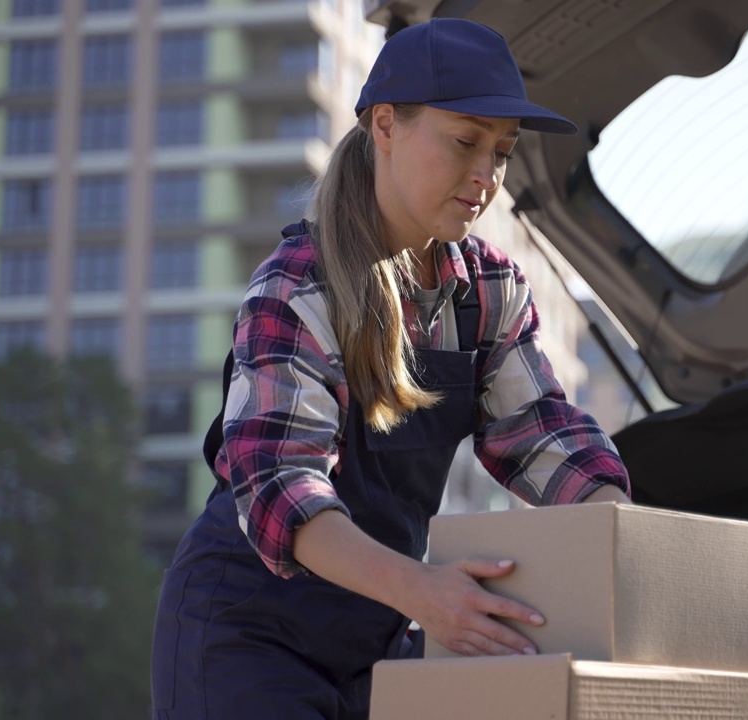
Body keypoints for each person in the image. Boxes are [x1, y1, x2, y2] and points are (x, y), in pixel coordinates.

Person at [148, 17, 631, 720]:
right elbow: (282, 487)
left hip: (377, 641)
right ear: (385, 125)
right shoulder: (295, 288)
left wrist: (626, 539)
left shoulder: (491, 292)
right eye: (465, 142)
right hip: (243, 636)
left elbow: (540, 433)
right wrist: (424, 591)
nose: (485, 177)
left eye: (501, 152)